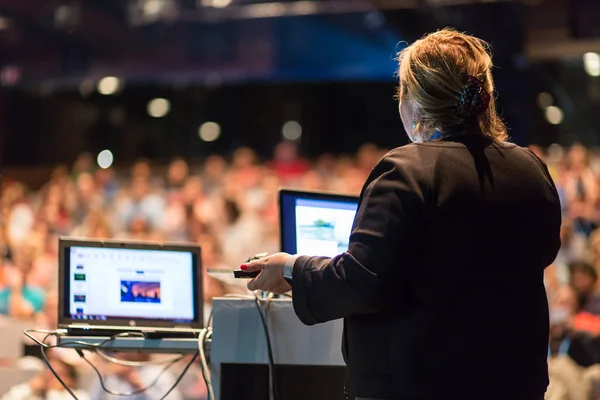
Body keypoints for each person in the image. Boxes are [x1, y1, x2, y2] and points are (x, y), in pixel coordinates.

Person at [241, 28, 562, 400]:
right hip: (515, 383)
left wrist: (292, 269)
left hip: (421, 385)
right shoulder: (529, 168)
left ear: (414, 100)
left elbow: (363, 280)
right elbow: (542, 253)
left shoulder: (407, 169)